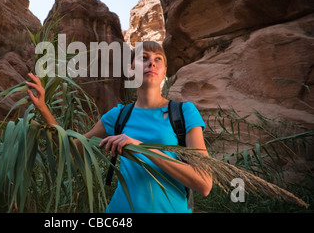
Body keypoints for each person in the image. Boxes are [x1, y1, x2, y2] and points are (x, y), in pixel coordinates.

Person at [26, 40, 212, 213]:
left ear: (164, 71)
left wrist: (142, 148)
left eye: (158, 59)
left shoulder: (183, 112)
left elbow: (204, 183)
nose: (151, 63)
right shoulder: (119, 116)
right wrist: (43, 107)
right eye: (143, 58)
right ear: (131, 69)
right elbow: (72, 149)